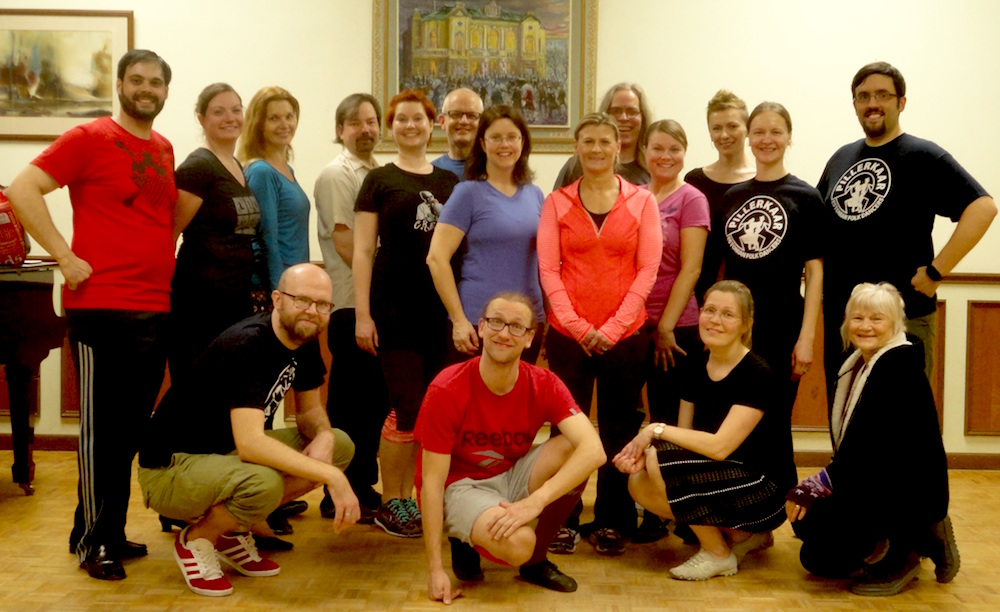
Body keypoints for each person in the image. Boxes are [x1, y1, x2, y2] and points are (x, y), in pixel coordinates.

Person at [5, 49, 175, 581]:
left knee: (126, 432)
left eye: (156, 82)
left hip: (155, 307)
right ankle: (93, 542)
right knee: (101, 434)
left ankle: (103, 530)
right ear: (120, 84)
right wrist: (64, 255)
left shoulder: (164, 148)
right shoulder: (89, 138)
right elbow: (21, 189)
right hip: (103, 309)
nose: (147, 89)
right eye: (138, 80)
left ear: (166, 92)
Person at [137, 264, 360, 598]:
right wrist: (335, 478)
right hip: (169, 468)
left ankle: (232, 528)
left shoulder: (305, 336)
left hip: (221, 457)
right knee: (263, 484)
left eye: (322, 305)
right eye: (302, 300)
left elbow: (311, 413)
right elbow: (251, 445)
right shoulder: (248, 343)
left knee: (340, 444)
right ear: (277, 300)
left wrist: (325, 436)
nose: (312, 312)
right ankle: (198, 538)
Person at [417, 292, 606, 602]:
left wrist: (537, 501)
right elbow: (431, 483)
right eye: (495, 322)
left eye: (516, 326)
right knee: (519, 543)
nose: (504, 333)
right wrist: (434, 569)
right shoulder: (446, 388)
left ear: (530, 338)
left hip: (509, 474)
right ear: (480, 328)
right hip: (460, 486)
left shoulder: (544, 383)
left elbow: (594, 450)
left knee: (574, 451)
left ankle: (536, 563)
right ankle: (462, 537)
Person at [816, 61, 995, 384]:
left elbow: (983, 208)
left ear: (901, 102)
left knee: (903, 423)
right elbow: (816, 228)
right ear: (854, 104)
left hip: (904, 316)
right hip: (845, 320)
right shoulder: (840, 158)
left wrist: (937, 271)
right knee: (845, 420)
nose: (872, 104)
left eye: (883, 95)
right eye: (864, 96)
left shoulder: (923, 156)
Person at [538, 112, 661, 556]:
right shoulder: (556, 203)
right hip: (567, 336)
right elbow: (549, 270)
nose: (595, 149)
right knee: (566, 429)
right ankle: (561, 517)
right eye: (587, 141)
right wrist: (577, 326)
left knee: (619, 427)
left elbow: (648, 269)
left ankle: (612, 519)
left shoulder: (642, 201)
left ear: (617, 148)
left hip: (625, 336)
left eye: (603, 141)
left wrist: (609, 329)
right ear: (576, 147)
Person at [614, 280, 796, 581]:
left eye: (727, 314)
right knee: (639, 480)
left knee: (660, 459)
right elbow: (684, 439)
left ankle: (718, 553)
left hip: (766, 490)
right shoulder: (695, 365)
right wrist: (644, 454)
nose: (715, 319)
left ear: (746, 324)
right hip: (724, 475)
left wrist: (655, 431)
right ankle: (742, 536)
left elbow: (719, 446)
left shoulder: (759, 374)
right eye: (710, 310)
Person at [786, 282, 958, 596]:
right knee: (811, 542)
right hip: (872, 482)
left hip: (905, 492)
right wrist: (817, 486)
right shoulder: (857, 365)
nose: (865, 326)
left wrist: (818, 483)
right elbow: (855, 450)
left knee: (814, 525)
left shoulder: (899, 368)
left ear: (895, 324)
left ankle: (906, 551)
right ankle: (911, 537)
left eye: (876, 319)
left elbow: (874, 452)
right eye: (857, 318)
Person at [353, 88, 459, 538]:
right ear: (391, 127)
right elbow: (362, 250)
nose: (410, 126)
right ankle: (392, 500)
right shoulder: (378, 180)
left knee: (436, 410)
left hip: (441, 312)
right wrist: (363, 314)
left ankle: (421, 497)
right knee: (405, 407)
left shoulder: (450, 184)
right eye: (401, 120)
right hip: (393, 309)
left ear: (432, 124)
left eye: (418, 119)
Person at [313, 92, 389, 524]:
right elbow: (346, 244)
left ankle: (361, 485)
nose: (366, 130)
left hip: (371, 307)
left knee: (372, 404)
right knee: (350, 404)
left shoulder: (376, 171)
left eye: (372, 121)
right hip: (349, 306)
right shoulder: (338, 174)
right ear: (340, 129)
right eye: (356, 123)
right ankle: (337, 491)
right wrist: (375, 297)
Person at [633, 120, 710, 544]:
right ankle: (646, 508)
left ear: (685, 152)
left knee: (667, 422)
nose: (665, 156)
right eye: (658, 148)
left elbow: (692, 268)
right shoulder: (635, 196)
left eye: (674, 149)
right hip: (631, 324)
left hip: (675, 328)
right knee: (634, 418)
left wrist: (665, 326)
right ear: (644, 151)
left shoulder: (691, 198)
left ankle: (677, 509)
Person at [720, 102, 823, 411]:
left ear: (789, 137)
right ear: (748, 138)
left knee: (774, 417)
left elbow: (815, 273)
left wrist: (806, 338)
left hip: (783, 325)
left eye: (776, 132)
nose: (767, 139)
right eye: (759, 132)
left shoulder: (805, 197)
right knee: (730, 415)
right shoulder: (732, 196)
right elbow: (723, 267)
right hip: (734, 324)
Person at [427, 105, 546, 365]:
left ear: (522, 142)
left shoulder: (535, 194)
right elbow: (436, 259)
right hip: (476, 323)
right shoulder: (467, 193)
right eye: (496, 137)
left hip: (526, 324)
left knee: (518, 403)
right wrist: (458, 319)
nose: (505, 144)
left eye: (512, 137)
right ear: (482, 143)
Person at [169, 83, 261, 384]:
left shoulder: (235, 165)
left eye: (236, 110)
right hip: (200, 301)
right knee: (198, 389)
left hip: (235, 297)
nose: (230, 118)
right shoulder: (198, 167)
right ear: (201, 119)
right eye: (218, 112)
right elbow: (169, 233)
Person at [686, 90, 757, 303]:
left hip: (749, 295)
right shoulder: (694, 181)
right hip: (700, 294)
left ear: (747, 130)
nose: (724, 135)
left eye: (732, 126)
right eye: (716, 128)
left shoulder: (761, 182)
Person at [239, 86, 310, 292]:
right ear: (259, 124)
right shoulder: (262, 172)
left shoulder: (287, 170)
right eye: (274, 118)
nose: (285, 124)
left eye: (289, 116)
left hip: (296, 281)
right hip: (278, 287)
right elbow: (267, 240)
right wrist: (279, 294)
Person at [553, 83, 652, 189]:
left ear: (643, 117)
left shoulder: (653, 167)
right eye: (616, 111)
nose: (624, 118)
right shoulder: (575, 166)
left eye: (632, 111)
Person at [432, 87, 484, 179]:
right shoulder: (430, 172)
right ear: (442, 121)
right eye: (455, 114)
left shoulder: (496, 170)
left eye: (472, 116)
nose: (464, 121)